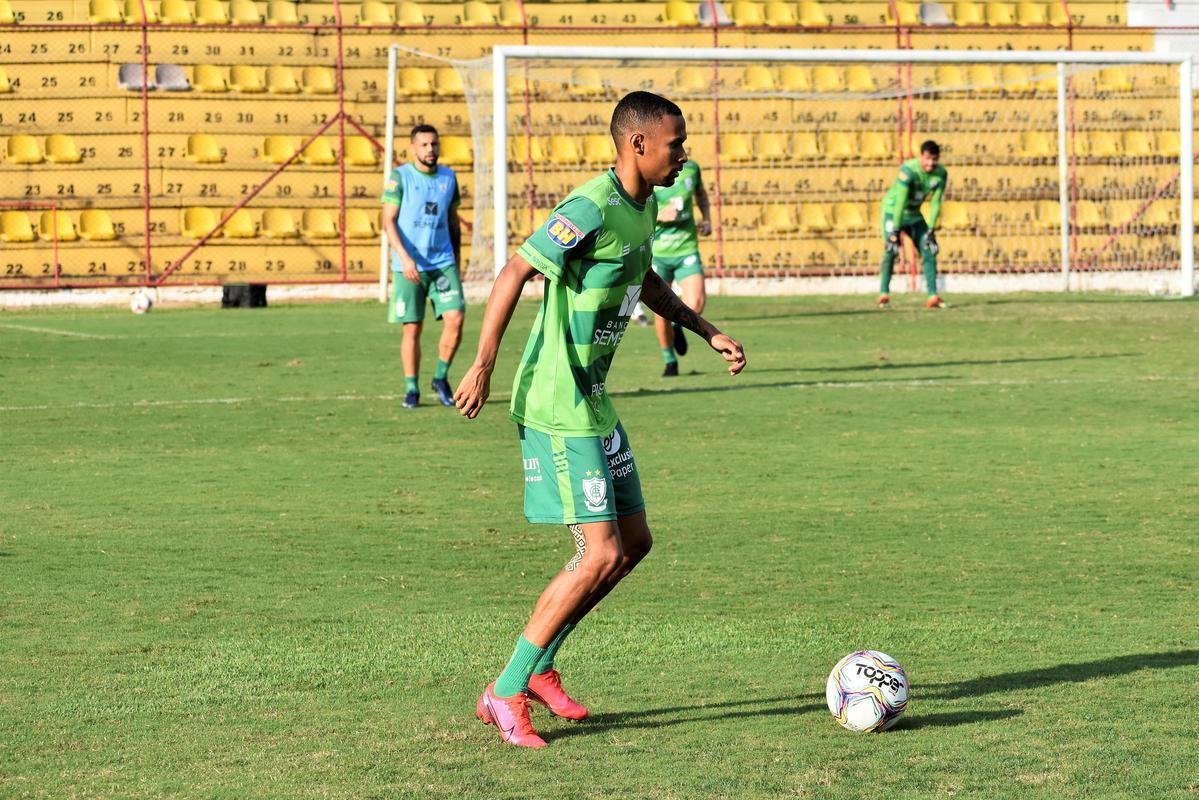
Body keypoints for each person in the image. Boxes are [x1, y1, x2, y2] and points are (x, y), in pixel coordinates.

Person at [452, 91, 747, 749]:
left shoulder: (643, 211)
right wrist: (482, 366)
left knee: (634, 543)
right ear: (638, 143)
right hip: (558, 403)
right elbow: (514, 271)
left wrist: (705, 330)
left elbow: (643, 283)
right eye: (676, 142)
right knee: (599, 550)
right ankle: (503, 691)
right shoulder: (590, 205)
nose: (684, 152)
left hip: (593, 398)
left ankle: (540, 665)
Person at [381, 124, 464, 408]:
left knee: (456, 318)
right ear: (414, 148)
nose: (430, 149)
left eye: (434, 144)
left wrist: (457, 260)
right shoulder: (400, 177)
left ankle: (441, 377)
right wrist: (404, 258)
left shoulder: (449, 178)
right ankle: (411, 388)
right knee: (412, 329)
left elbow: (453, 222)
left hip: (442, 262)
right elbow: (387, 220)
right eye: (425, 145)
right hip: (409, 265)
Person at [651, 158, 711, 376]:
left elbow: (701, 195)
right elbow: (635, 207)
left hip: (686, 248)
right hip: (658, 252)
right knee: (660, 311)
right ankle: (670, 361)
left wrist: (707, 219)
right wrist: (659, 215)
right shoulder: (651, 169)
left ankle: (678, 326)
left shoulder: (693, 168)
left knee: (697, 302)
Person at [877, 140, 949, 309]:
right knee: (891, 250)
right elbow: (900, 200)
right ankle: (883, 294)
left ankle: (933, 296)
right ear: (920, 156)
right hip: (893, 212)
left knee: (928, 249)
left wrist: (931, 228)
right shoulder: (908, 171)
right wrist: (895, 228)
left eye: (934, 159)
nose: (930, 163)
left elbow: (936, 202)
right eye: (927, 159)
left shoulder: (940, 174)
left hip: (915, 216)